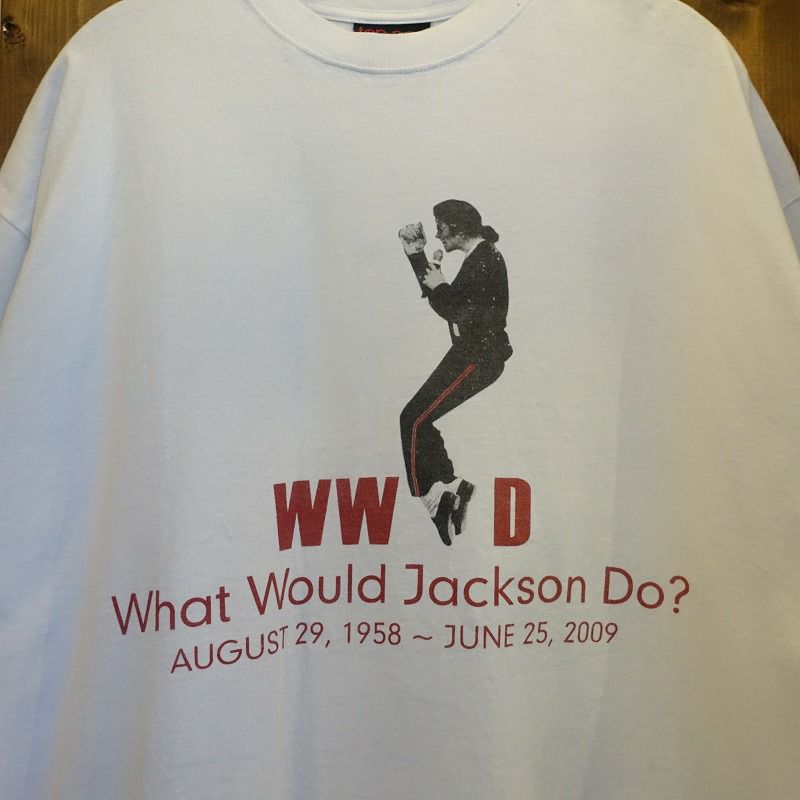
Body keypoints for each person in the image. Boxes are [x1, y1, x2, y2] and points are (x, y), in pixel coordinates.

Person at [398, 199, 513, 546]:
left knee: (413, 421)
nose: (437, 234)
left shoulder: (484, 261)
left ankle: (434, 497)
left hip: (478, 358)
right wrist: (417, 255)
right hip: (470, 353)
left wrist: (439, 285)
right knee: (419, 420)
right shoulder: (480, 256)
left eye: (440, 227)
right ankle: (449, 485)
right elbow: (445, 301)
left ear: (458, 229)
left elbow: (458, 311)